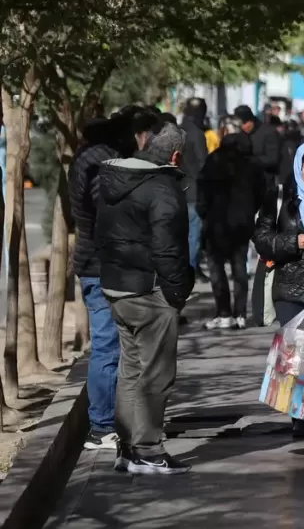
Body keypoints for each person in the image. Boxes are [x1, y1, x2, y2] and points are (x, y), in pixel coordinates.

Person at [97, 120, 194, 475]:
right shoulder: (163, 187)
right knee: (156, 374)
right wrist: (177, 292)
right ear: (175, 156)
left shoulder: (113, 180)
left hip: (117, 288)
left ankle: (127, 448)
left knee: (131, 370)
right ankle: (149, 450)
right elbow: (169, 249)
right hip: (149, 291)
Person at [69, 110, 149, 451]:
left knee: (110, 344)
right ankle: (101, 426)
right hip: (101, 265)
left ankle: (107, 421)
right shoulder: (101, 163)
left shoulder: (85, 157)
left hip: (94, 262)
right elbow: (107, 211)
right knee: (107, 345)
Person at [253, 140, 304, 443]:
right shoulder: (280, 196)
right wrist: (293, 242)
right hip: (288, 285)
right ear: (299, 166)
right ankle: (298, 416)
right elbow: (261, 238)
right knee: (294, 352)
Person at [197, 132, 266, 329]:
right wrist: (249, 212)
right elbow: (261, 192)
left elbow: (202, 192)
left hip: (215, 222)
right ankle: (240, 313)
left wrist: (204, 213)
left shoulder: (213, 161)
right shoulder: (252, 164)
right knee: (239, 266)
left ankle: (223, 312)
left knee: (216, 267)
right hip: (242, 223)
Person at [179, 98, 210, 273]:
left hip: (177, 189)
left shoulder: (177, 131)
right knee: (193, 235)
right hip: (194, 191)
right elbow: (203, 165)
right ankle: (189, 271)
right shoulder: (197, 134)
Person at [234, 104, 282, 188]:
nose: (243, 127)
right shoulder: (239, 133)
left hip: (264, 182)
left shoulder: (268, 132)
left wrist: (249, 161)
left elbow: (272, 158)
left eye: (244, 123)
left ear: (251, 120)